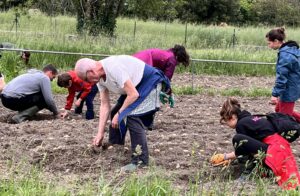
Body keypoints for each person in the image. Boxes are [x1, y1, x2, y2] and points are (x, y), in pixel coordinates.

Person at [74, 55, 170, 172]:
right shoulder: (99, 79)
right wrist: (100, 133)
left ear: (91, 71)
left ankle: (140, 161)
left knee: (131, 116)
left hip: (149, 83)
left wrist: (120, 114)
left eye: (85, 79)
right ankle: (116, 146)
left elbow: (133, 94)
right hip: (134, 87)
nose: (87, 82)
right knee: (115, 111)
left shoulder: (113, 67)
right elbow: (105, 105)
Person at [210, 98, 300, 190]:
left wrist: (225, 156)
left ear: (232, 117)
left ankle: (247, 173)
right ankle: (261, 170)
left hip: (274, 150)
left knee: (237, 139)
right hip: (280, 149)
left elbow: (245, 147)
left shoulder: (241, 124)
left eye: (226, 122)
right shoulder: (251, 119)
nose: (227, 125)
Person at [133, 44, 190, 128]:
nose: (177, 64)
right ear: (178, 57)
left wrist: (166, 90)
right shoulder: (172, 59)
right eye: (179, 63)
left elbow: (161, 78)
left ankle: (132, 118)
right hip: (143, 65)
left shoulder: (166, 54)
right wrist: (169, 93)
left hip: (136, 61)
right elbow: (166, 80)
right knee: (152, 97)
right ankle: (146, 123)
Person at [266, 27, 300, 122]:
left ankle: (285, 134)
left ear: (276, 41)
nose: (269, 46)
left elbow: (282, 77)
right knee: (278, 110)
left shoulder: (285, 55)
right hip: (294, 86)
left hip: (289, 90)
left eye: (269, 43)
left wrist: (274, 95)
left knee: (284, 119)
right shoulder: (293, 50)